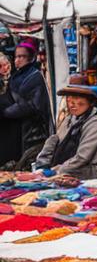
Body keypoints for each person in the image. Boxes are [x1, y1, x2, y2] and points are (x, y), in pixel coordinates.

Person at [35, 77, 97, 179]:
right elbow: (55, 140)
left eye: (77, 98)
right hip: (72, 171)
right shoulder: (70, 120)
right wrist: (42, 165)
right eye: (69, 98)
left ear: (90, 102)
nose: (71, 103)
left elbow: (82, 158)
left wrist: (57, 171)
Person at [0, 40, 51, 170]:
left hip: (31, 131)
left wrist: (5, 112)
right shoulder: (17, 76)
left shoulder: (34, 77)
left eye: (21, 56)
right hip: (15, 128)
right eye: (16, 56)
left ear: (31, 58)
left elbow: (31, 105)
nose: (17, 60)